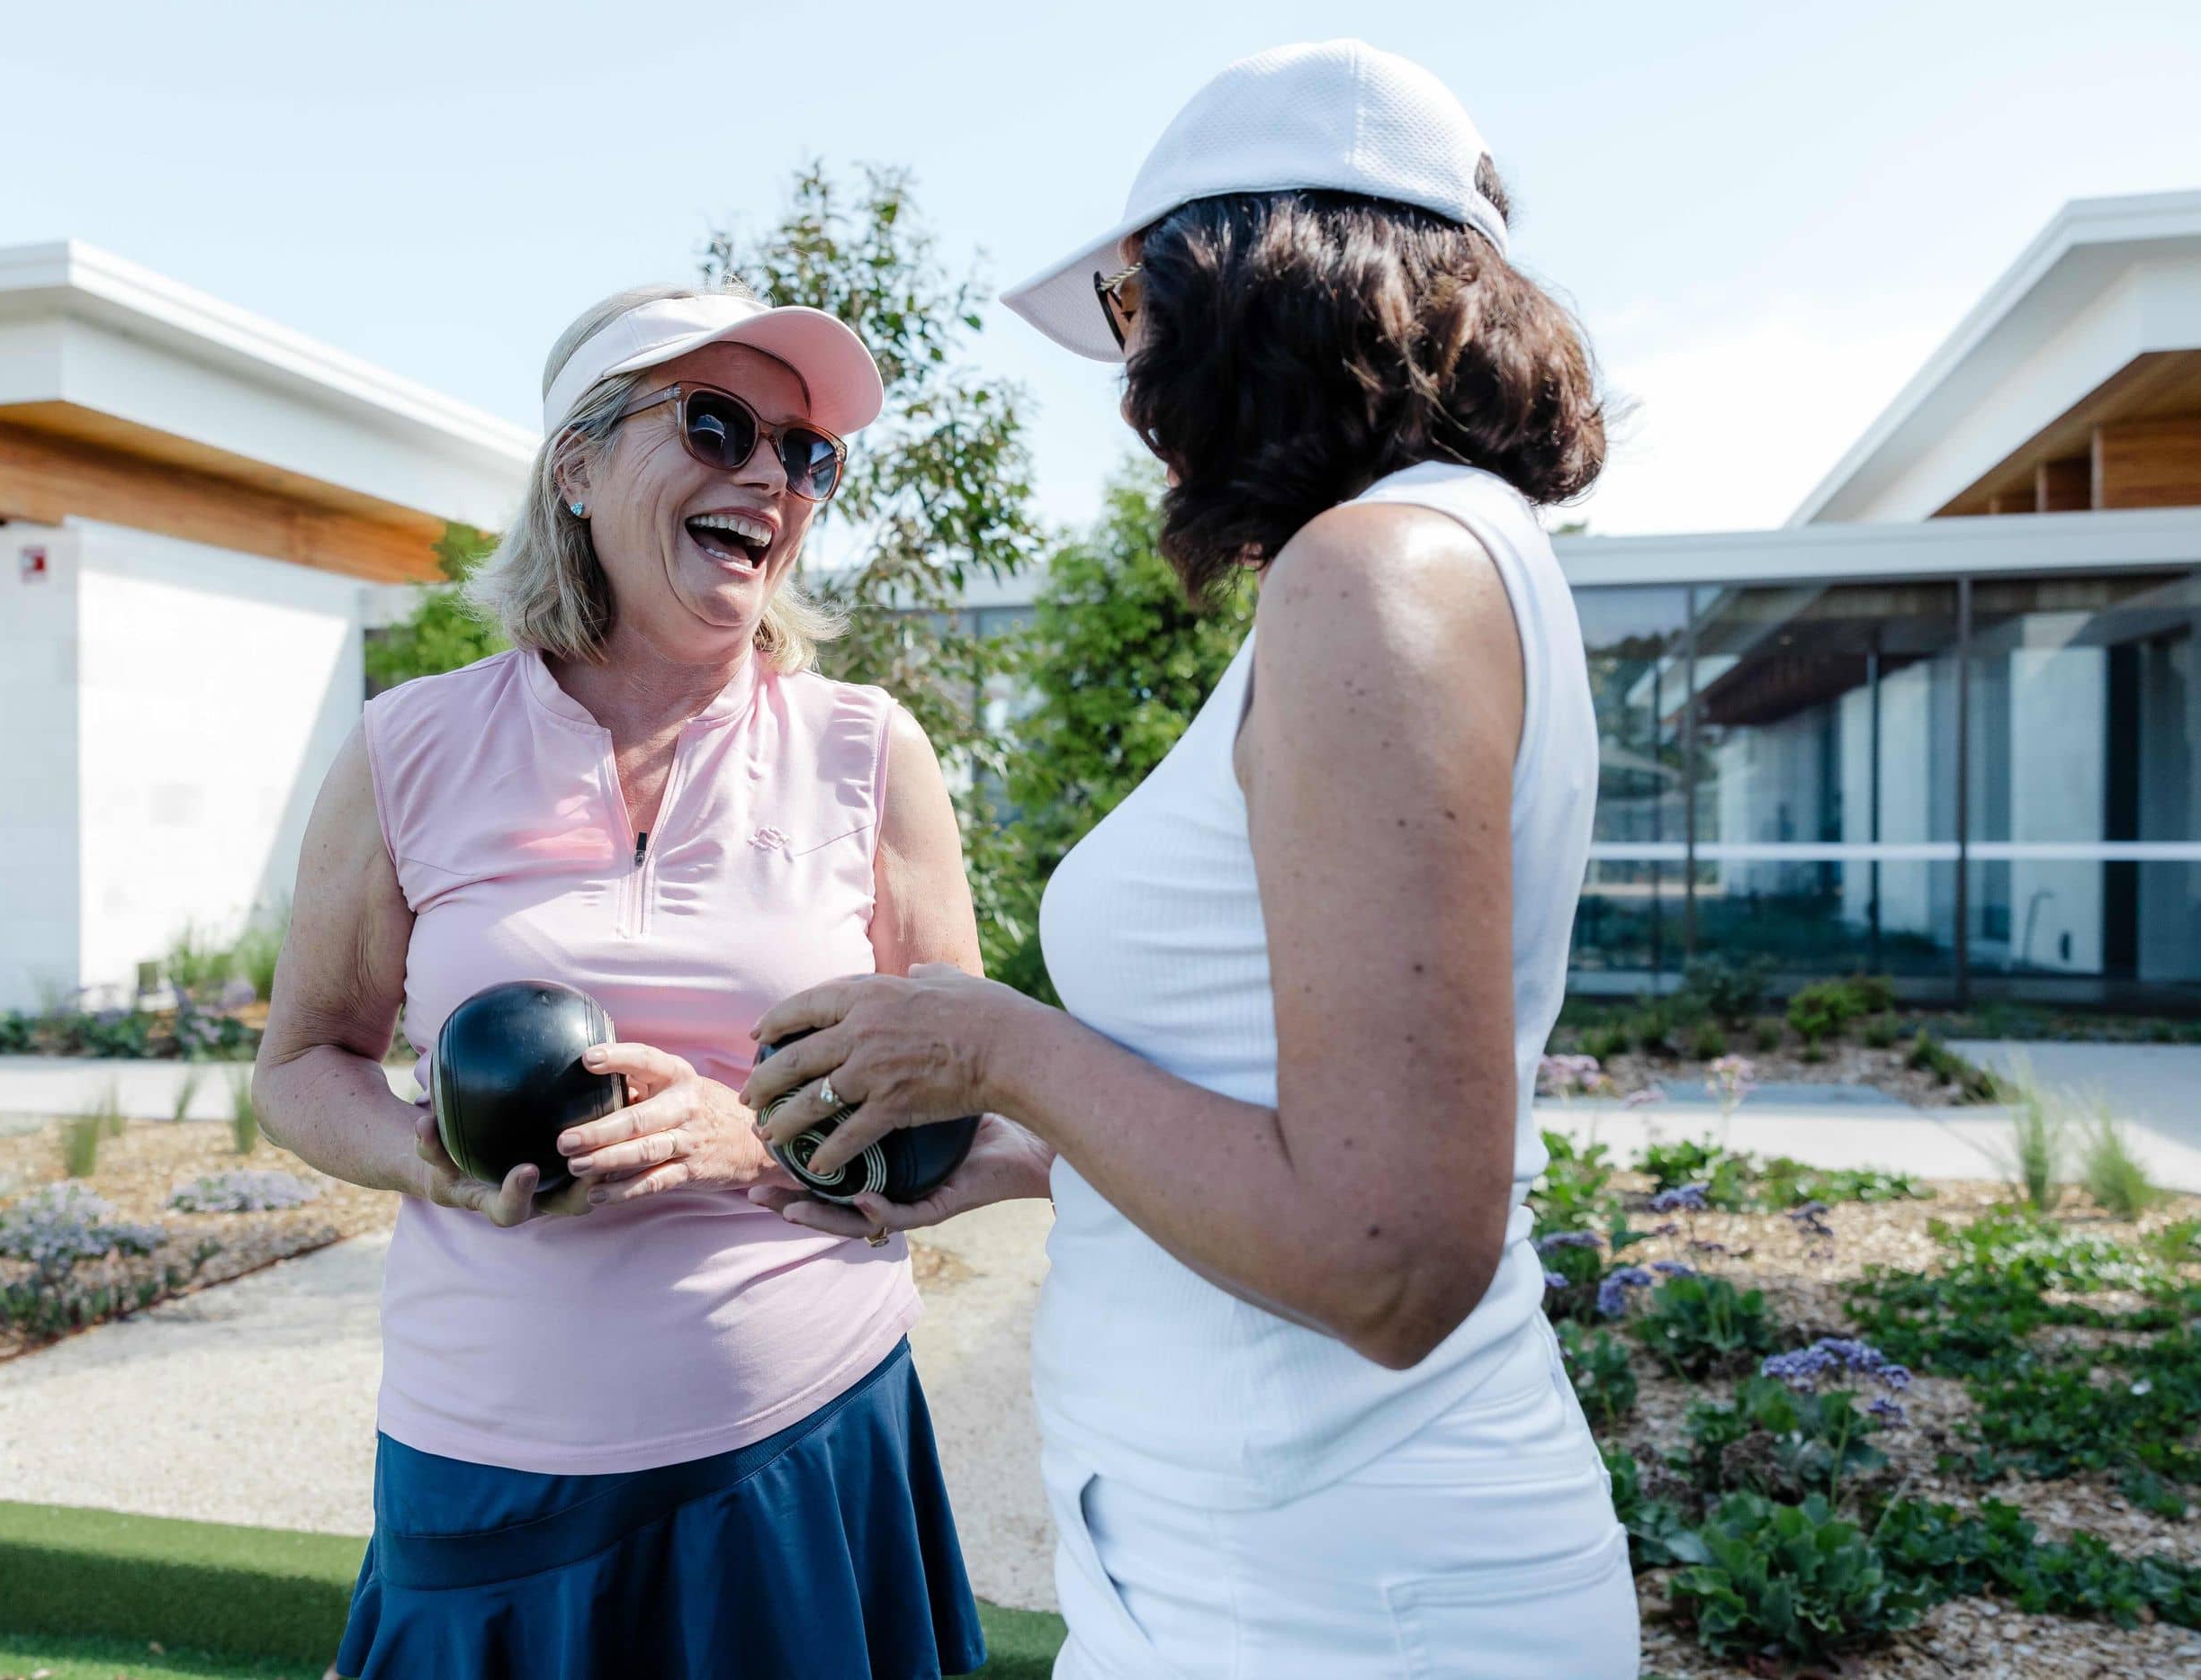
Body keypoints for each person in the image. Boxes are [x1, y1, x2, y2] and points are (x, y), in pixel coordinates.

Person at [747, 40, 1640, 1678]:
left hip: (1336, 1605)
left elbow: (1387, 1255)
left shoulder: (1373, 577)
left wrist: (990, 1040)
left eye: (1132, 308)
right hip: (1266, 1573)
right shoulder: (1437, 553)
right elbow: (1287, 1112)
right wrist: (1027, 1153)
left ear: (1251, 283)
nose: (1129, 369)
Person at [255, 283, 988, 1680]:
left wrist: (749, 1131)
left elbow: (963, 1083)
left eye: (806, 453)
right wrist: (434, 1156)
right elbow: (301, 1062)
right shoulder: (407, 745)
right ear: (576, 467)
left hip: (808, 1437)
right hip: (485, 1453)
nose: (769, 473)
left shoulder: (868, 748)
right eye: (718, 424)